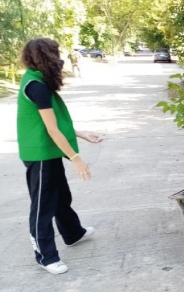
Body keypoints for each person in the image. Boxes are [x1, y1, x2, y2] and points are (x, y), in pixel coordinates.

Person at [17, 38, 102, 274]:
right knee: (43, 205)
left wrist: (82, 134)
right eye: (56, 54)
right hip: (40, 154)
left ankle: (73, 233)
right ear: (46, 56)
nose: (60, 59)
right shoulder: (36, 86)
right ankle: (45, 255)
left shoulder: (38, 80)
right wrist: (76, 157)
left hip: (48, 149)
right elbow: (52, 129)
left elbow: (51, 124)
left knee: (61, 196)